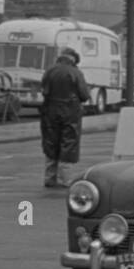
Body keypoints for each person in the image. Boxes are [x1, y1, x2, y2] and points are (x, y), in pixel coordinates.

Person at [40, 47, 90, 188]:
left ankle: (49, 177)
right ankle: (65, 179)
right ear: (73, 59)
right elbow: (84, 95)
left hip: (50, 111)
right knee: (68, 143)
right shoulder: (76, 73)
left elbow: (44, 91)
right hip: (70, 112)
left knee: (51, 142)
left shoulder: (49, 71)